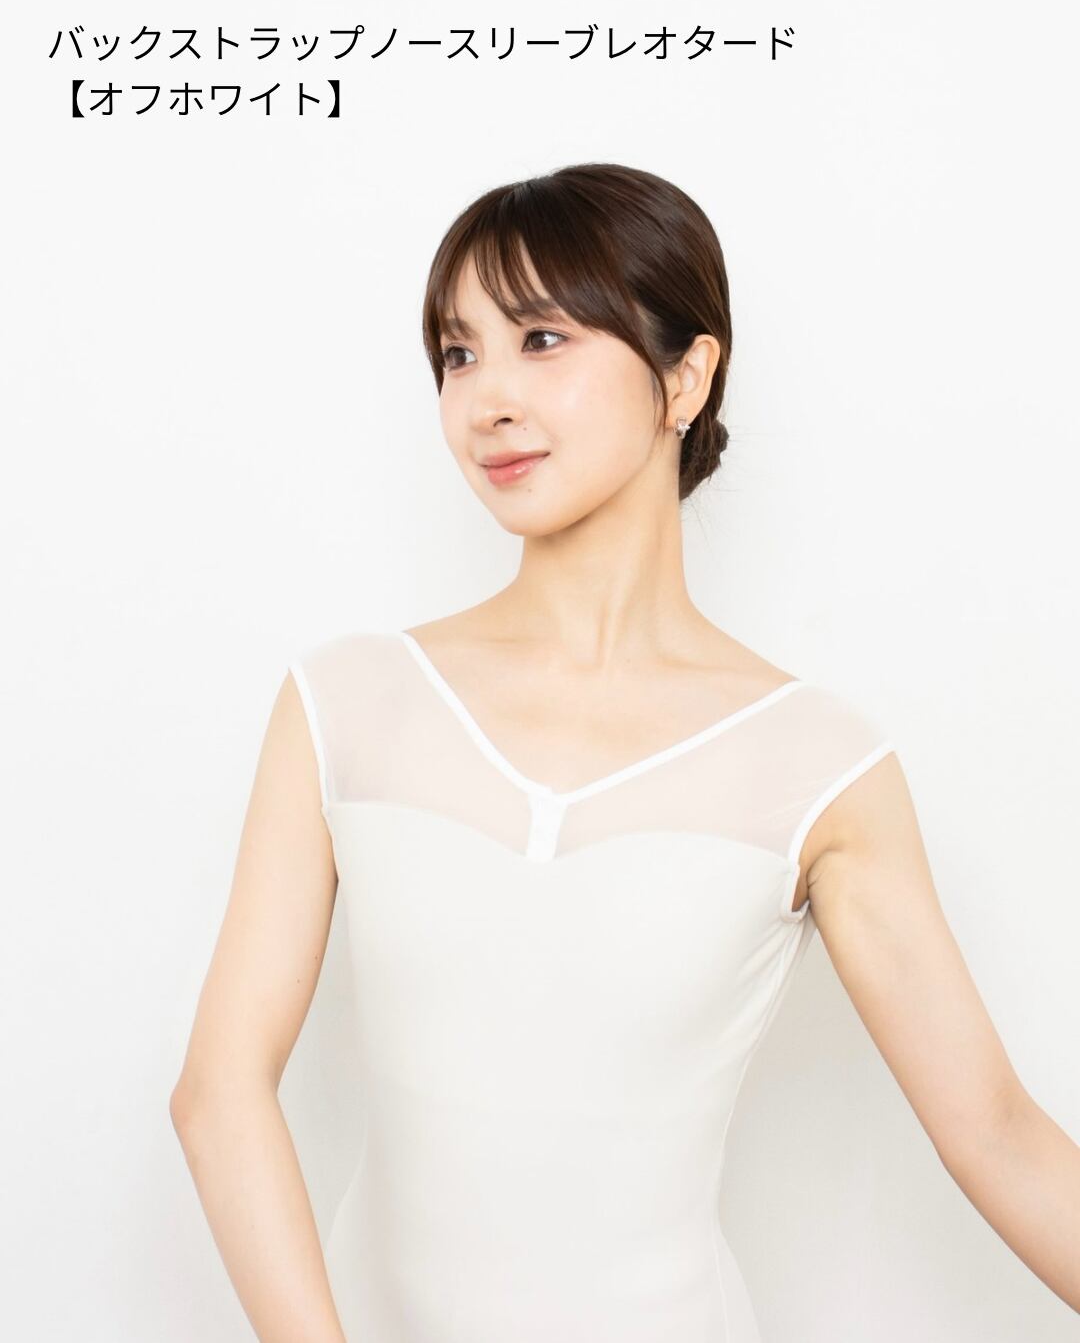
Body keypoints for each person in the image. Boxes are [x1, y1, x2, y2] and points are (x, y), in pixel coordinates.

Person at [169, 163, 1080, 1341]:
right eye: (457, 354)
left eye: (542, 339)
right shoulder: (346, 702)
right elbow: (219, 1093)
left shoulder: (818, 767)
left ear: (685, 377)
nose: (487, 399)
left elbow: (997, 1135)